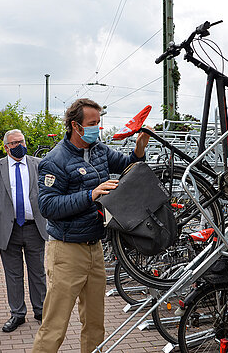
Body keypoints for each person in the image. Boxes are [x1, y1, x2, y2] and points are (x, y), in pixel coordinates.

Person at [32, 98, 151, 353]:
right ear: (75, 126)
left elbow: (127, 164)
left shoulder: (99, 150)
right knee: (54, 327)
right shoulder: (55, 160)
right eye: (92, 123)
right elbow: (48, 207)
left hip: (94, 248)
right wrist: (91, 195)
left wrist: (140, 148)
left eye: (99, 122)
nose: (97, 127)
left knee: (95, 325)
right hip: (66, 252)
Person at [0, 129, 48, 333]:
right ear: (6, 147)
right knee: (13, 274)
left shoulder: (39, 164)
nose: (19, 145)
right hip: (6, 230)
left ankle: (41, 310)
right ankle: (17, 314)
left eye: (21, 141)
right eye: (14, 142)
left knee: (38, 272)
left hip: (35, 228)